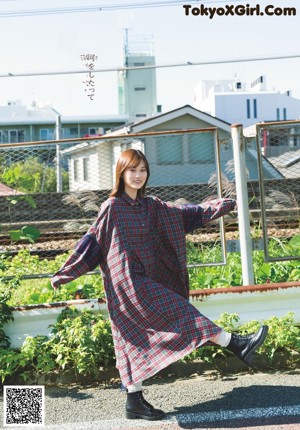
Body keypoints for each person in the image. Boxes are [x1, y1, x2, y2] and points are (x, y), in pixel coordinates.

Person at [51, 149, 268, 421]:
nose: (138, 175)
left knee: (129, 338)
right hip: (128, 284)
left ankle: (134, 402)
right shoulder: (112, 207)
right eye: (132, 170)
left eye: (142, 170)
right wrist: (65, 273)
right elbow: (92, 243)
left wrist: (221, 205)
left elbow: (185, 214)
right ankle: (235, 343)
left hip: (146, 280)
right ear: (121, 172)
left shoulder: (150, 205)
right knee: (181, 312)